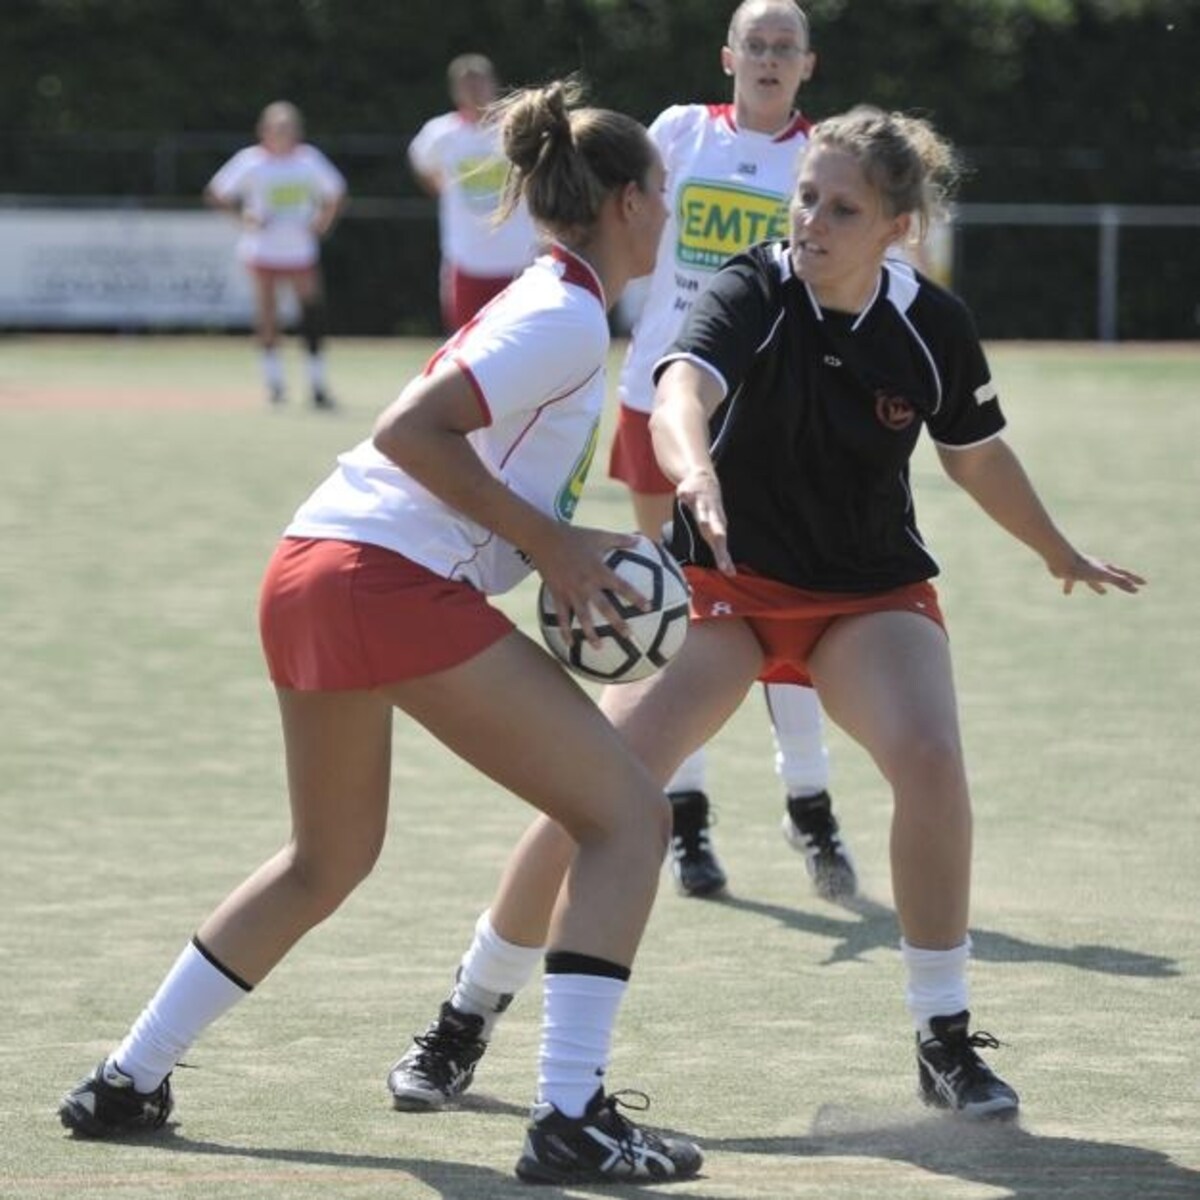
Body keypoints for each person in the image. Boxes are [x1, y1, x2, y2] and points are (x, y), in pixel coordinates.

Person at [387, 104, 1145, 1121]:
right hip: (724, 592)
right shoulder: (752, 286)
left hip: (864, 595)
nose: (811, 222)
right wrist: (693, 471)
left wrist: (1056, 549)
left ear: (898, 227)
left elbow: (974, 456)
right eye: (805, 198)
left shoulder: (930, 326)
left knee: (930, 759)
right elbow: (682, 391)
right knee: (595, 791)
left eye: (842, 209)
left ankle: (944, 1037)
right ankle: (463, 1019)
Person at [58, 79, 703, 1186]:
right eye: (662, 189)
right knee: (628, 818)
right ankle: (570, 1116)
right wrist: (553, 549)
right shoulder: (562, 315)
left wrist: (559, 542)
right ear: (631, 201)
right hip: (380, 581)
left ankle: (127, 1077)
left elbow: (463, 466)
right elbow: (410, 431)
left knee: (327, 859)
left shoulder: (548, 296)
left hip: (312, 567)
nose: (669, 208)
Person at [609, 0, 854, 902]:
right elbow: (614, 214)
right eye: (757, 43)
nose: (770, 57)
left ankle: (808, 799)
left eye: (786, 46)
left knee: (788, 608)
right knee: (675, 608)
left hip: (769, 415)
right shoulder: (678, 132)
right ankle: (687, 816)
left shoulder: (822, 157)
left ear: (808, 65)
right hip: (659, 399)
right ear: (728, 56)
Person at [205, 101, 347, 409]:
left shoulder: (308, 160)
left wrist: (322, 222)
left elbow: (336, 192)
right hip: (263, 250)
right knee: (268, 315)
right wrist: (244, 218)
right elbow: (216, 193)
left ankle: (317, 383)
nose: (283, 133)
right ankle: (275, 384)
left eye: (289, 127)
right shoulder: (251, 161)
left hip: (300, 251)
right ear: (263, 130)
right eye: (277, 127)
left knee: (311, 313)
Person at [409, 54, 540, 333]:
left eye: (480, 83)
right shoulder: (440, 133)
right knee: (466, 337)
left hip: (520, 256)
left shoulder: (519, 130)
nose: (474, 91)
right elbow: (420, 162)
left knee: (521, 334)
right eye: (467, 85)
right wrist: (443, 190)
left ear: (494, 84)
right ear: (455, 91)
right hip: (466, 257)